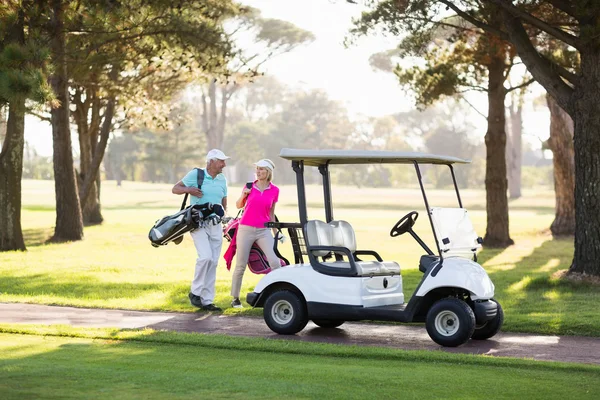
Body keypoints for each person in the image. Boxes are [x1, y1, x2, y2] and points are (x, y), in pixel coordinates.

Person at [172, 149, 230, 311]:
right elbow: (175, 188)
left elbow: (223, 201)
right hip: (197, 223)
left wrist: (224, 216)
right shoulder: (196, 175)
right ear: (211, 161)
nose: (224, 164)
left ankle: (207, 301)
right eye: (221, 161)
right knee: (205, 257)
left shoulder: (222, 179)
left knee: (213, 262)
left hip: (216, 224)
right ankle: (195, 293)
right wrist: (189, 190)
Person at [231, 159, 282, 308]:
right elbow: (238, 205)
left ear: (268, 172)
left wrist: (277, 232)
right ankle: (235, 298)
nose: (258, 172)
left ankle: (275, 295)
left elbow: (271, 213)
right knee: (240, 265)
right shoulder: (249, 186)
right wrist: (244, 195)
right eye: (257, 169)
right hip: (245, 229)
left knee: (275, 262)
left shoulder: (275, 190)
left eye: (262, 169)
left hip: (263, 231)